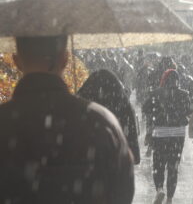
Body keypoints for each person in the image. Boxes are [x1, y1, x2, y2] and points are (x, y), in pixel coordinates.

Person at [0, 36, 134, 204]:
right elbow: (123, 193)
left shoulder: (4, 122)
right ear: (65, 59)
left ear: (16, 61)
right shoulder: (102, 122)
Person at [142, 69, 191, 204]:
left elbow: (145, 109)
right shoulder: (184, 94)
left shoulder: (156, 94)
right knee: (173, 166)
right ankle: (169, 198)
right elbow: (189, 112)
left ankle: (159, 189)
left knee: (158, 164)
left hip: (160, 134)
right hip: (178, 135)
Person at [78, 69, 140, 164]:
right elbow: (131, 129)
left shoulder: (83, 100)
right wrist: (134, 153)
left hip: (87, 155)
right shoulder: (121, 100)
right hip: (115, 154)